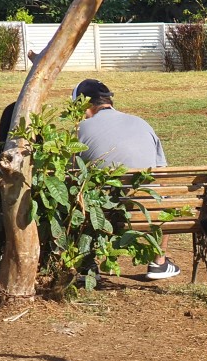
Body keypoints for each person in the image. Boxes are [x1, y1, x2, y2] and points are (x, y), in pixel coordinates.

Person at [72, 78, 180, 280]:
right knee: (164, 196)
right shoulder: (141, 123)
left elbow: (70, 175)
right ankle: (159, 262)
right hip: (147, 210)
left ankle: (87, 264)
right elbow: (162, 178)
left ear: (84, 105)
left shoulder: (81, 130)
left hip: (103, 212)